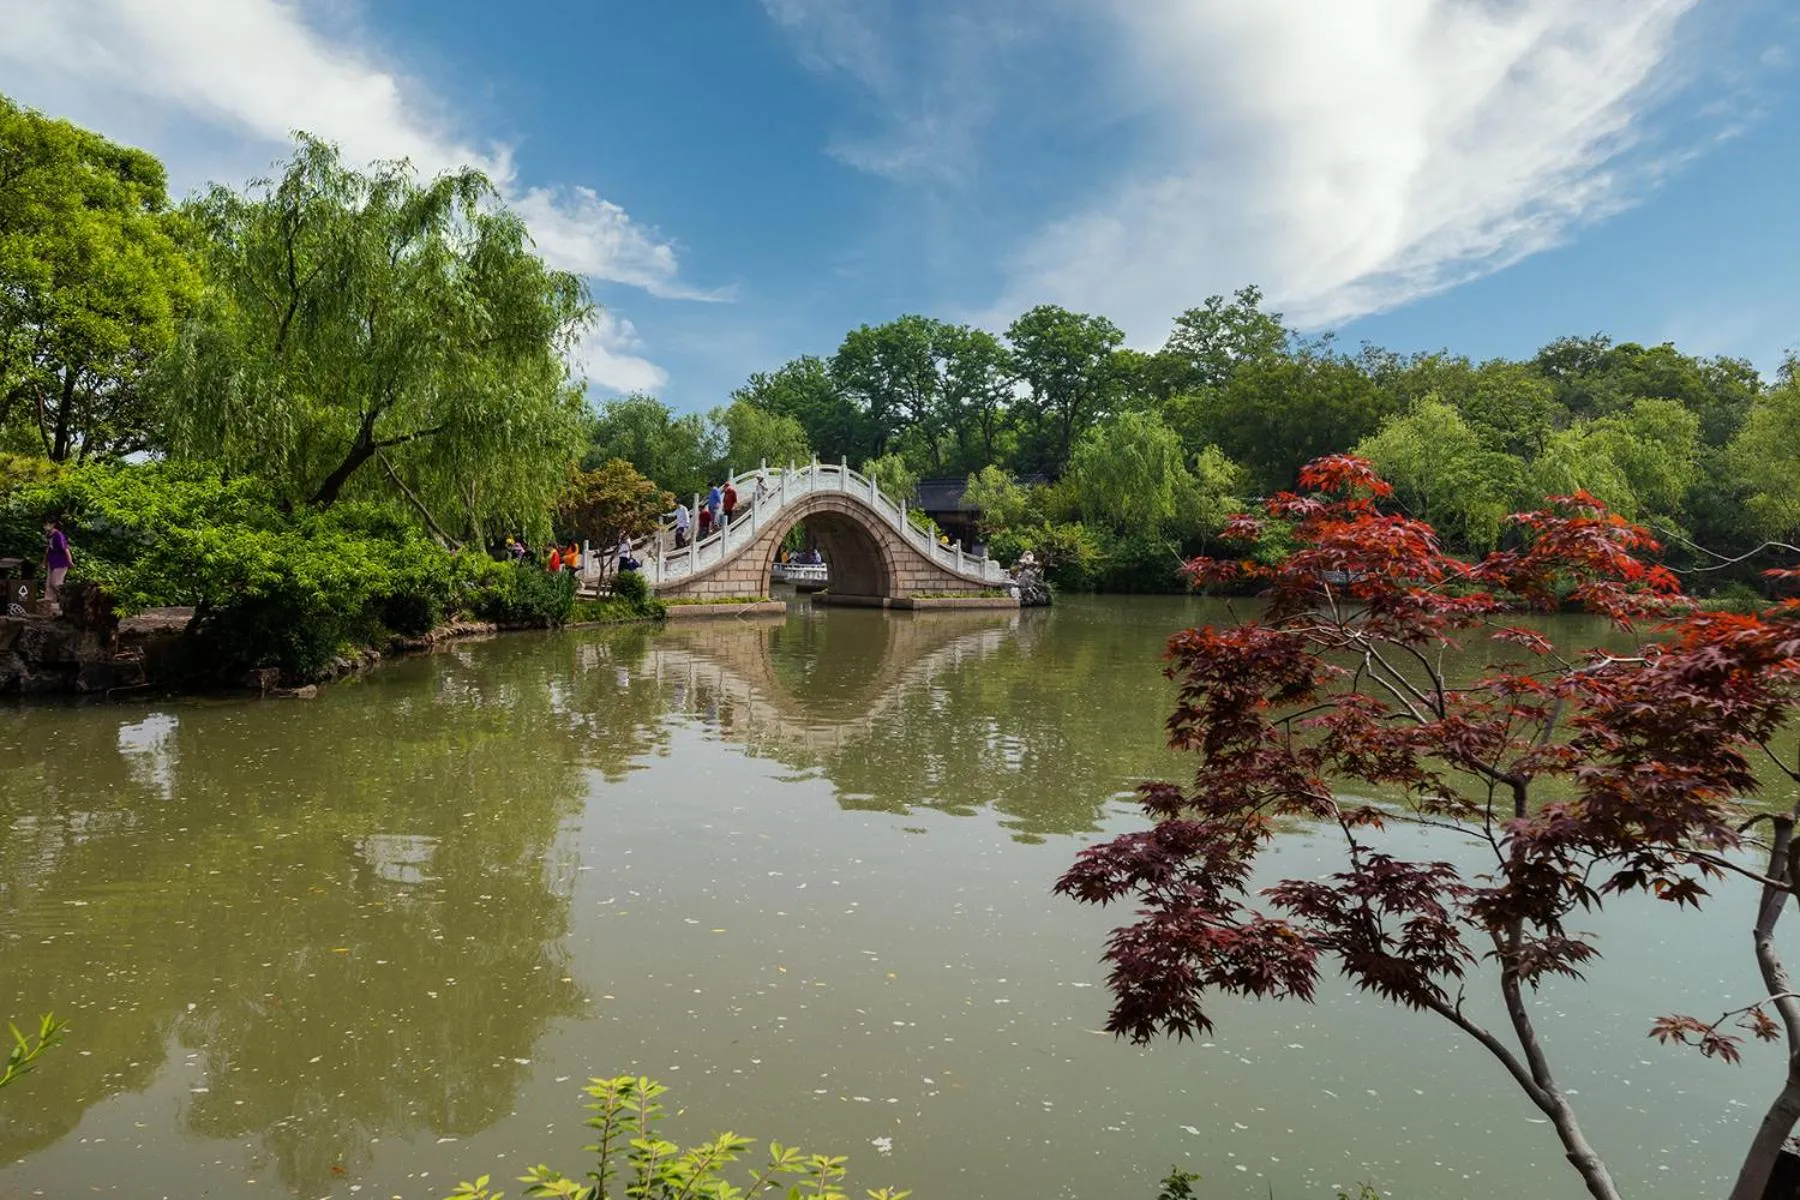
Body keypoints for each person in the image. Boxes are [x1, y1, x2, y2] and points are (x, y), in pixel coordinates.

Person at [42, 518, 71, 608]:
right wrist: (44, 562)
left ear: (53, 524)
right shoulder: (49, 535)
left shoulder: (58, 535)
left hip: (60, 562)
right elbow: (48, 550)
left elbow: (66, 549)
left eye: (46, 524)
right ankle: (48, 605)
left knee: (55, 583)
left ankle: (67, 598)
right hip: (52, 562)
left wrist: (70, 561)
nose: (45, 526)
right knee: (49, 585)